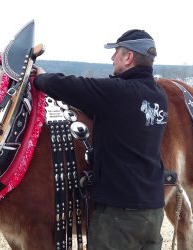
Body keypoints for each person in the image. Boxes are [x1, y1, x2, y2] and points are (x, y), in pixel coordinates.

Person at [34, 29, 168, 250]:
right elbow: (113, 112)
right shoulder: (158, 95)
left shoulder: (117, 92)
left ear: (129, 57)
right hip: (153, 211)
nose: (112, 57)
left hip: (119, 216)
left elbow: (67, 85)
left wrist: (40, 77)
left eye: (116, 52)